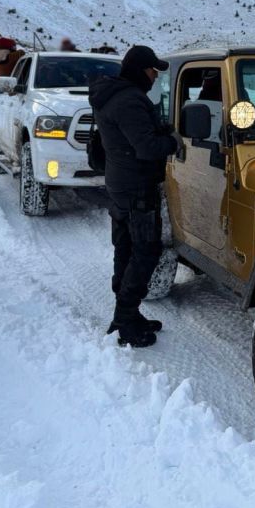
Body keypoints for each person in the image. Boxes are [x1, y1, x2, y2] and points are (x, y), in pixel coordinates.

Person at [89, 46, 180, 348]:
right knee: (145, 252)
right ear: (140, 69)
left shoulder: (113, 95)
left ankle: (127, 313)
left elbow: (131, 136)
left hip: (120, 183)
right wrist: (172, 142)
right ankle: (127, 319)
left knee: (126, 248)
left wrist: (159, 130)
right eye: (153, 70)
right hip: (137, 186)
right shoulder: (130, 100)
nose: (155, 76)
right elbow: (146, 148)